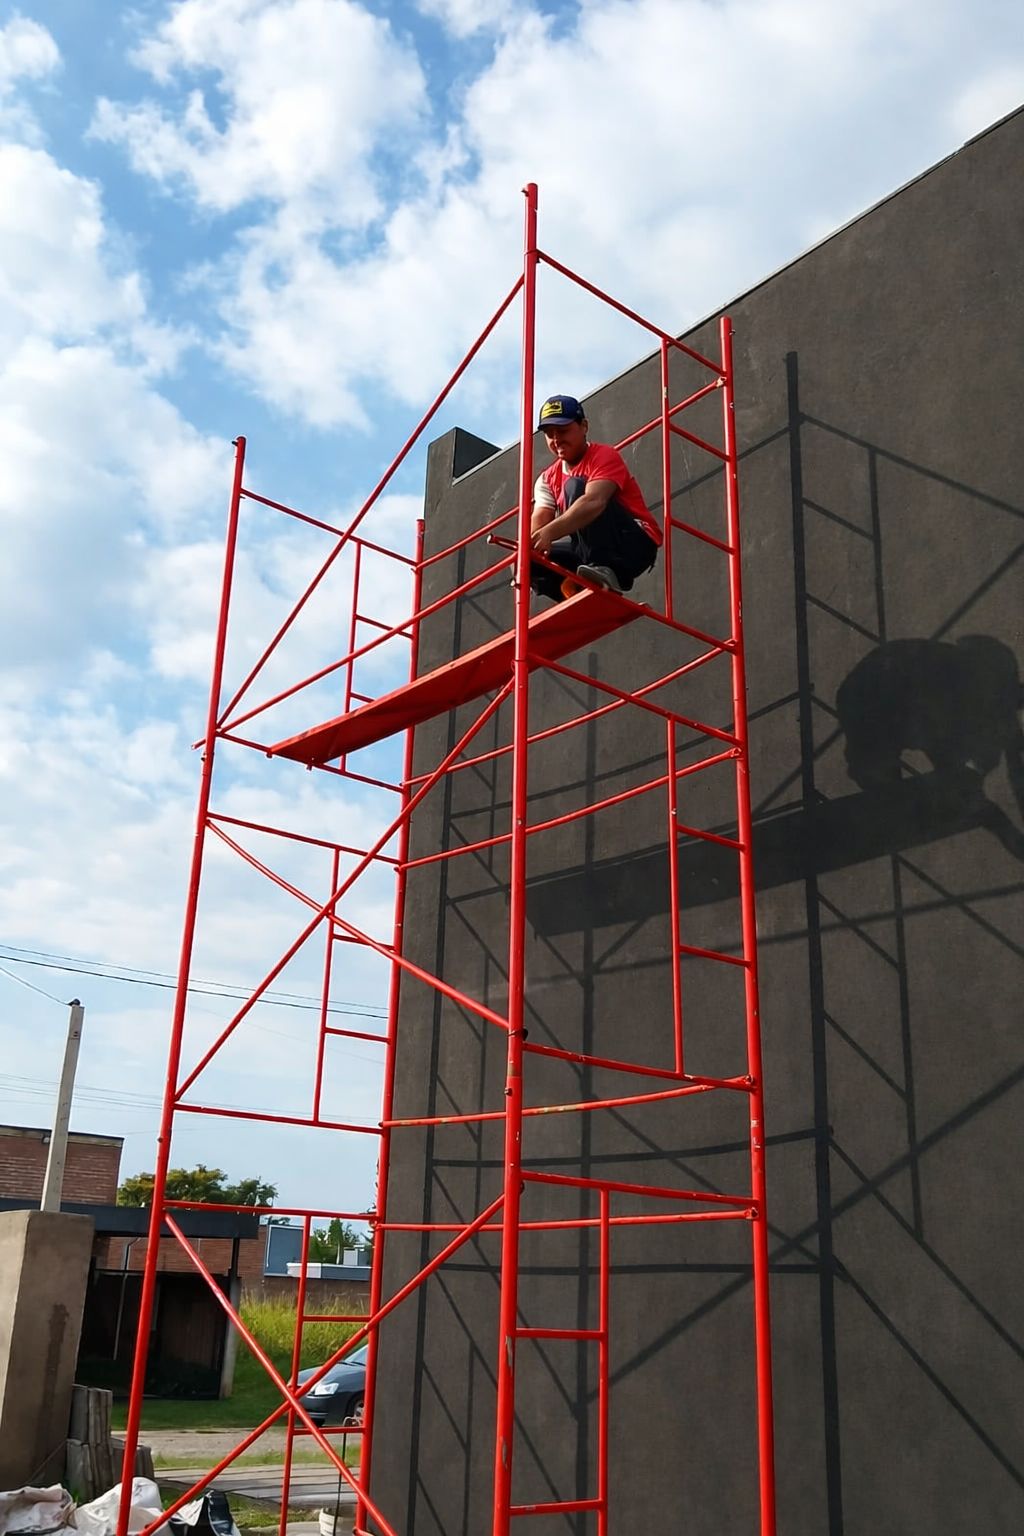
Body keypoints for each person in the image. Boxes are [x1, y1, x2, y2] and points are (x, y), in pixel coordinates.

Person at [529, 394, 662, 599]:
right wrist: (532, 547)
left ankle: (603, 574)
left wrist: (548, 534)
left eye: (563, 430)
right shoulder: (546, 479)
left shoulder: (604, 455)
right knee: (527, 560)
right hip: (588, 553)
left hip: (633, 545)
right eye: (549, 433)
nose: (556, 439)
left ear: (584, 426)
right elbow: (539, 524)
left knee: (576, 487)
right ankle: (574, 595)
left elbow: (594, 501)